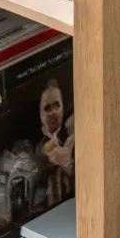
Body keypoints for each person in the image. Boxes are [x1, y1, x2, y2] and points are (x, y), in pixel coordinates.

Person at [37, 77, 74, 207]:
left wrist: (68, 163)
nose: (53, 112)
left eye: (56, 105)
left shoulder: (73, 132)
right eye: (47, 108)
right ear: (41, 114)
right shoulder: (39, 145)